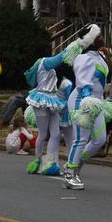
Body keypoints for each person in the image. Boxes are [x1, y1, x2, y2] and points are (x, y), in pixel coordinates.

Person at [64, 24, 107, 190]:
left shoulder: (100, 56)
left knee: (100, 140)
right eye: (98, 36)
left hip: (97, 102)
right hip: (82, 101)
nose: (102, 38)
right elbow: (83, 82)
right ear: (90, 40)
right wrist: (88, 99)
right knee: (80, 139)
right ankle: (69, 174)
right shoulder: (84, 58)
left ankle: (75, 165)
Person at [23, 45, 74, 175]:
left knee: (56, 134)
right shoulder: (44, 62)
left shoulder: (45, 64)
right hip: (42, 99)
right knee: (43, 134)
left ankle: (50, 164)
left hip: (52, 99)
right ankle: (38, 161)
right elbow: (59, 58)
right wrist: (76, 46)